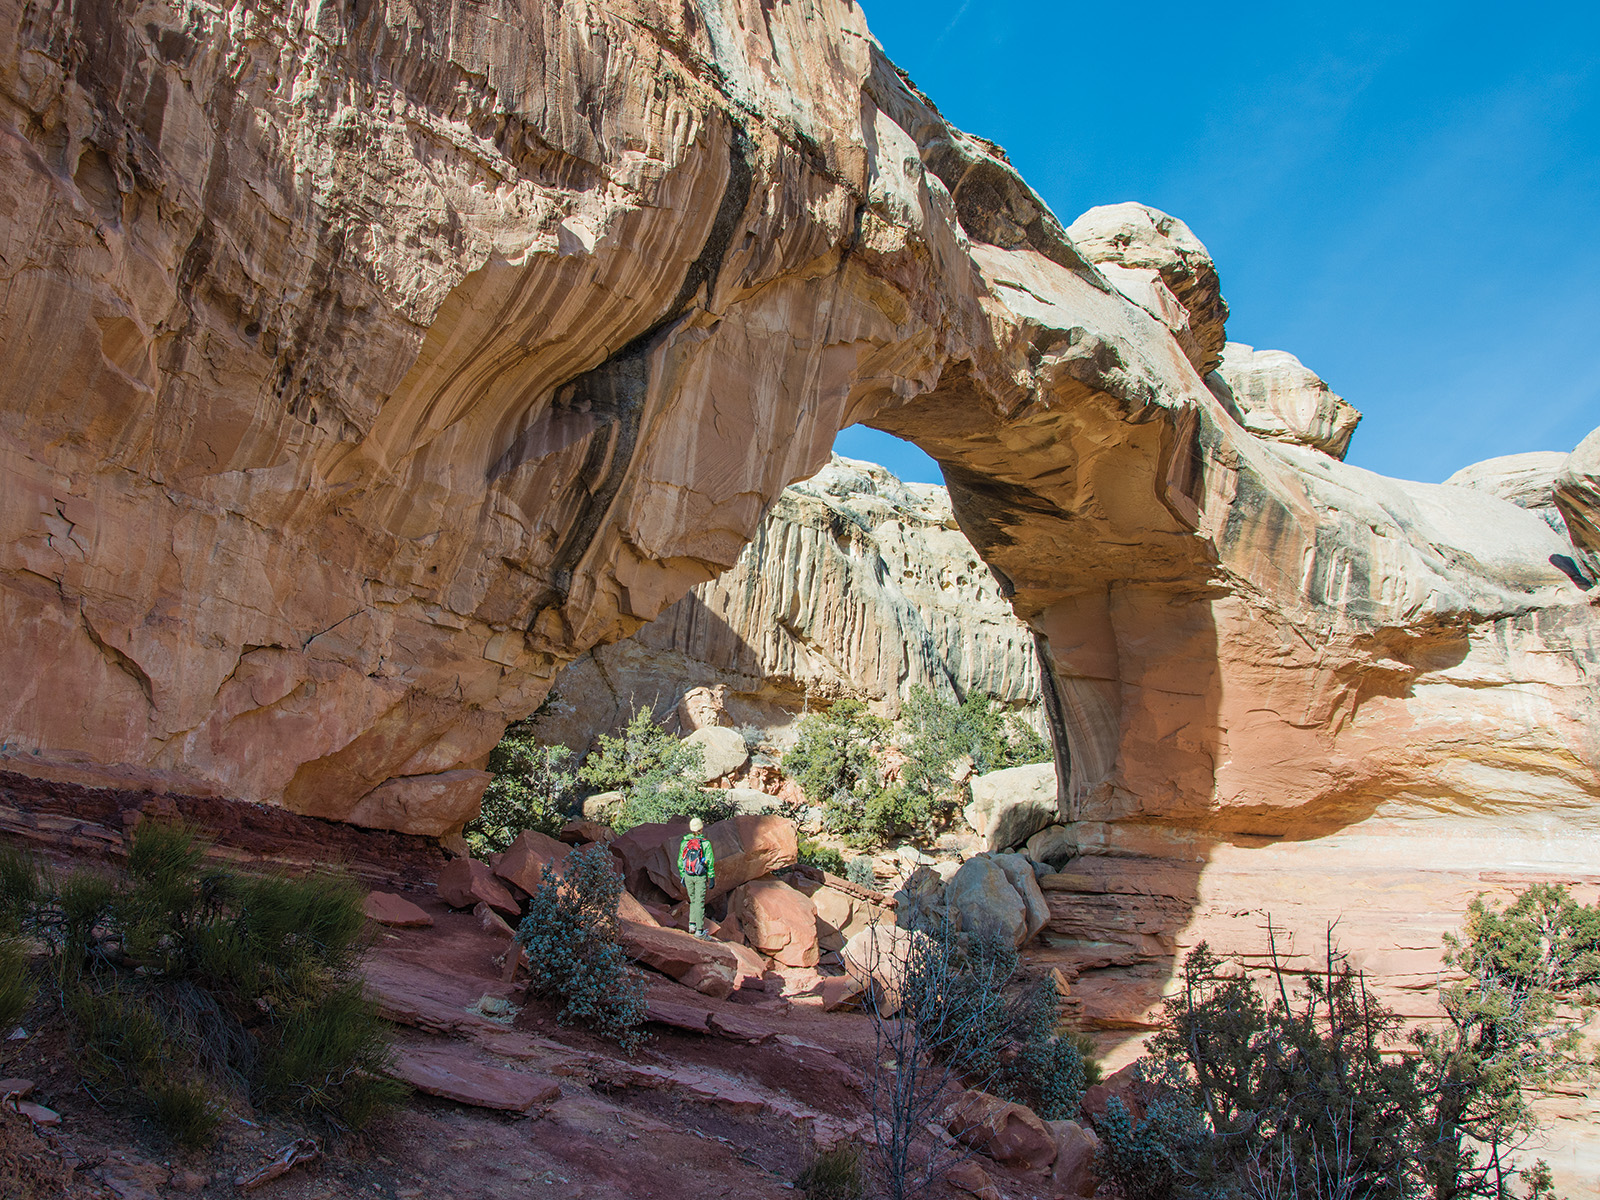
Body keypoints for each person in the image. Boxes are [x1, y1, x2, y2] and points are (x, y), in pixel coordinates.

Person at [677, 816, 716, 938]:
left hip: (688, 875)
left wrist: (683, 875)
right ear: (701, 828)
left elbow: (680, 861)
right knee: (699, 902)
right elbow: (709, 861)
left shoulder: (685, 843)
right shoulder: (705, 844)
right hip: (700, 876)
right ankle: (699, 931)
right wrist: (712, 877)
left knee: (693, 900)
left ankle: (692, 925)